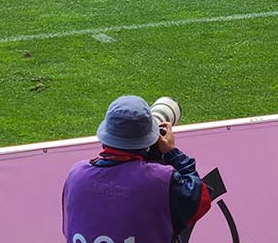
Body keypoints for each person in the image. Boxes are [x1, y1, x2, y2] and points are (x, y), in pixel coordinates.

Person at [62, 95, 210, 243]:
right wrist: (172, 153)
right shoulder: (161, 180)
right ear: (148, 140)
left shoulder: (76, 174)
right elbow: (201, 198)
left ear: (106, 136)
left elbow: (69, 228)